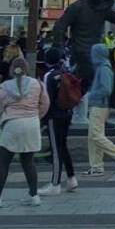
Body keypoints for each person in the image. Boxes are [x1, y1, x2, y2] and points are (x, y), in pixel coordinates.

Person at [0, 57, 51, 208]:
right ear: (26, 69)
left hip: (12, 124)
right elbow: (45, 103)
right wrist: (37, 115)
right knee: (28, 161)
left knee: (4, 162)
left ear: (11, 70)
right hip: (32, 123)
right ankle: (33, 195)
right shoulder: (37, 84)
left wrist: (4, 120)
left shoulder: (4, 87)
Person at [84, 42, 115, 175]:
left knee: (96, 136)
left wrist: (92, 95)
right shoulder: (101, 67)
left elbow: (106, 88)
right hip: (98, 105)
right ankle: (96, 167)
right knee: (93, 137)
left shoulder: (104, 68)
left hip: (100, 105)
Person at [39, 47, 78, 196]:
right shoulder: (64, 72)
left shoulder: (49, 75)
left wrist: (42, 118)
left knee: (55, 150)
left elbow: (46, 98)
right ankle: (71, 178)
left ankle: (55, 184)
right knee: (63, 146)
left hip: (53, 116)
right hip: (67, 113)